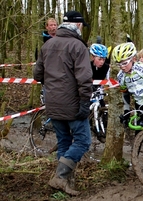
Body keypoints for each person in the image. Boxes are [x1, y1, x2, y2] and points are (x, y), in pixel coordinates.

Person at [34, 10, 92, 195]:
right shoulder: (78, 46)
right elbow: (84, 78)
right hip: (72, 103)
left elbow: (37, 74)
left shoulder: (47, 45)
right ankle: (60, 176)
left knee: (64, 141)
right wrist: (85, 102)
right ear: (78, 25)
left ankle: (64, 184)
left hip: (52, 102)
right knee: (83, 141)